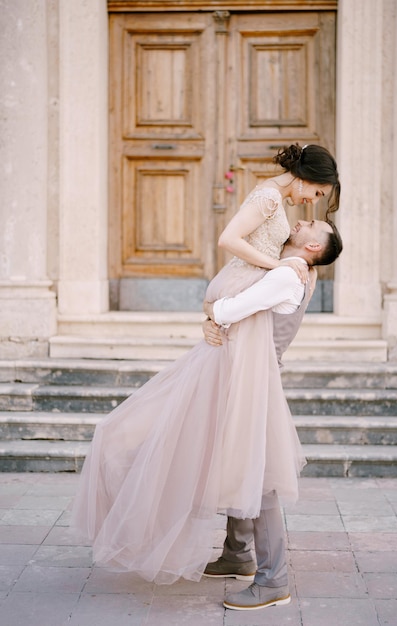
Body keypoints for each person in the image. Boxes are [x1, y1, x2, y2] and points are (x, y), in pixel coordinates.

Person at [70, 144, 341, 587]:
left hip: (244, 355)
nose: (312, 204)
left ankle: (262, 570)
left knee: (242, 454)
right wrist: (266, 277)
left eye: (316, 205)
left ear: (312, 247)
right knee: (236, 451)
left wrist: (223, 310)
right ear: (305, 177)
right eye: (316, 193)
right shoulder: (273, 207)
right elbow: (230, 243)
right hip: (236, 351)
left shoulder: (292, 263)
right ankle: (238, 554)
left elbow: (244, 300)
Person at [201, 219, 343, 611]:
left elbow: (230, 309)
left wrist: (210, 310)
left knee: (260, 479)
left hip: (255, 382)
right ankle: (237, 553)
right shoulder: (289, 269)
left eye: (312, 224)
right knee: (239, 463)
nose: (301, 220)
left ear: (314, 247)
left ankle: (272, 579)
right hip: (243, 375)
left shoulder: (287, 276)